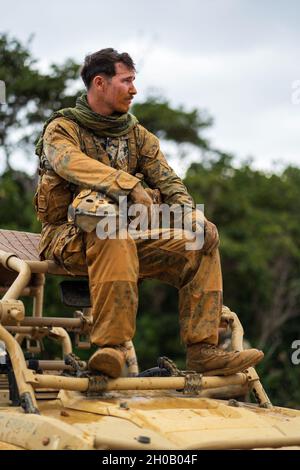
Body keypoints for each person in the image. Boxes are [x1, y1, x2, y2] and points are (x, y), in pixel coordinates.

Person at [35, 48, 263, 378]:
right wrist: (125, 185)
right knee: (110, 228)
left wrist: (191, 215)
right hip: (68, 238)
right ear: (100, 83)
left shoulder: (137, 135)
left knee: (201, 240)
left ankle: (203, 349)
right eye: (126, 81)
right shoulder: (62, 129)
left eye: (134, 81)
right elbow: (70, 163)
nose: (134, 89)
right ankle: (112, 348)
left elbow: (167, 179)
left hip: (130, 236)